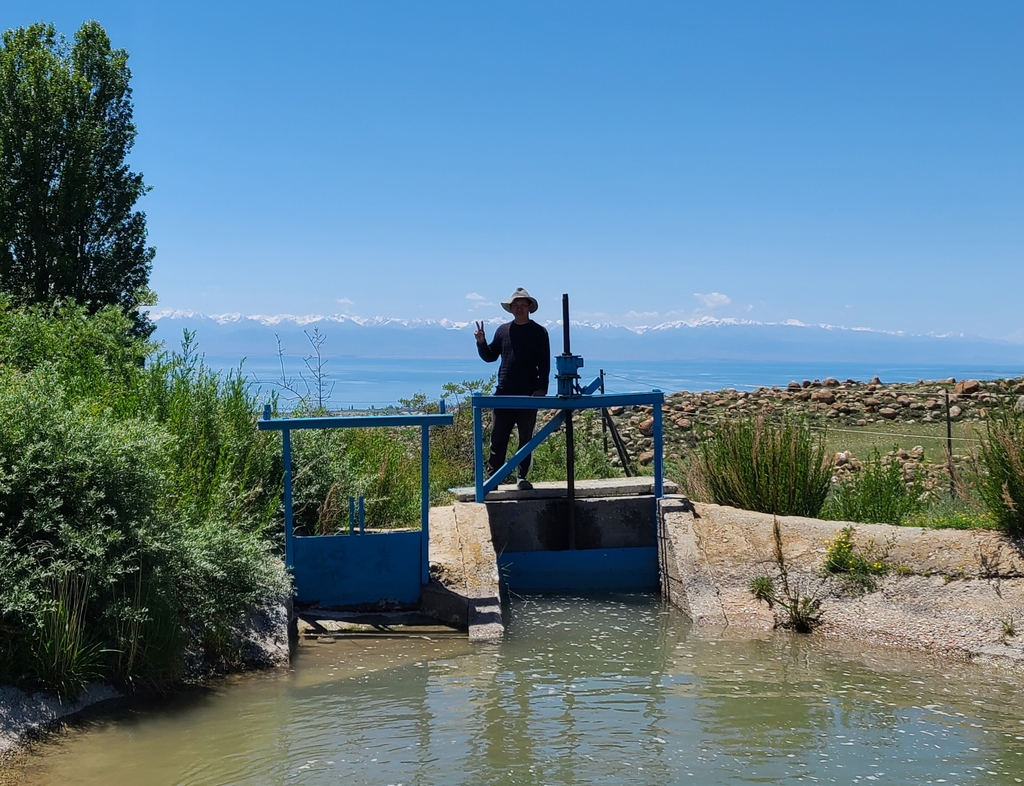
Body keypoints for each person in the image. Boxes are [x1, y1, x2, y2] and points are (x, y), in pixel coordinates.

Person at [474, 287, 551, 490]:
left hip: (528, 395)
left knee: (526, 440)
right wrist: (481, 342)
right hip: (503, 393)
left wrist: (542, 388)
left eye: (522, 305)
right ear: (511, 308)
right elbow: (490, 356)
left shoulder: (539, 332)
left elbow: (544, 363)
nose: (519, 308)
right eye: (515, 305)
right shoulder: (502, 330)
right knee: (497, 439)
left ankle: (522, 478)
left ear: (529, 308)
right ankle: (493, 479)